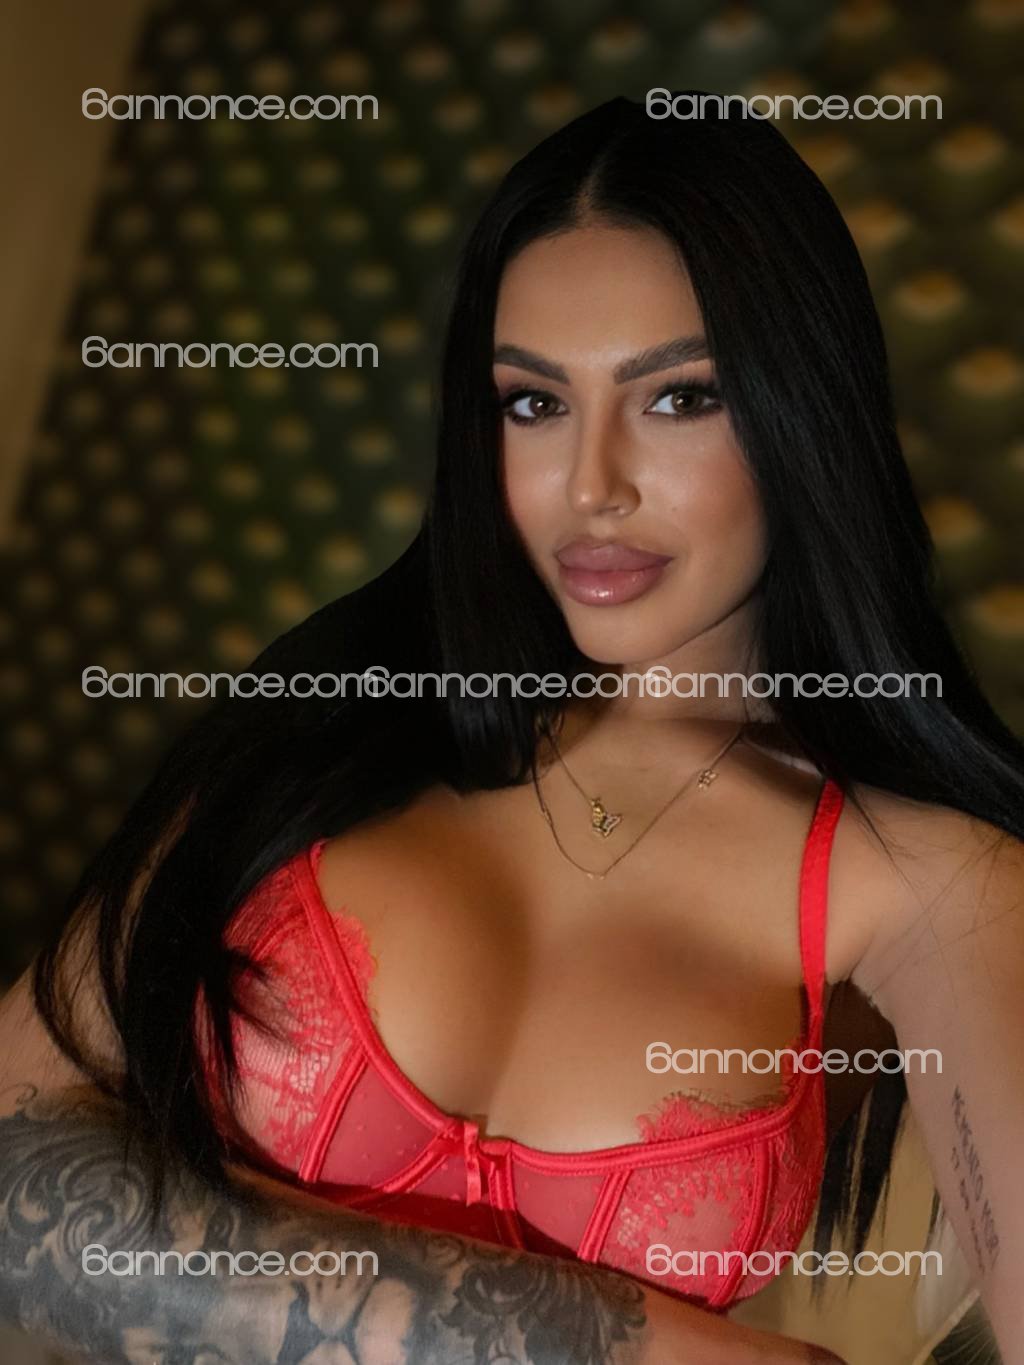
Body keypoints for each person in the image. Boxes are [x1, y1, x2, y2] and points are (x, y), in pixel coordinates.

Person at [2, 92, 1022, 1365]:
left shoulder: (928, 878)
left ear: (804, 410)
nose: (591, 487)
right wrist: (670, 1353)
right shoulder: (334, 717)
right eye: (533, 404)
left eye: (679, 398)